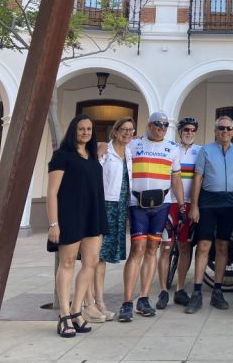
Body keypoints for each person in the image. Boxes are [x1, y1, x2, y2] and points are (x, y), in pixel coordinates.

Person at [118, 111, 184, 322]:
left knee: (152, 250)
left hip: (162, 204)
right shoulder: (134, 145)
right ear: (148, 125)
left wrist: (181, 205)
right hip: (137, 204)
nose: (161, 128)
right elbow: (113, 147)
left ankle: (144, 297)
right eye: (157, 124)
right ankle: (127, 301)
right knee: (137, 249)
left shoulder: (173, 148)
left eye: (165, 125)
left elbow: (176, 179)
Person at [47, 114, 108, 338]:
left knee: (90, 264)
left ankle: (76, 311)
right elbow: (52, 193)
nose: (85, 132)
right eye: (81, 129)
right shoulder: (61, 156)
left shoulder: (93, 156)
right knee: (68, 263)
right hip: (70, 216)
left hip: (93, 215)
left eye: (89, 129)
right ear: (73, 130)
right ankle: (63, 315)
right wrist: (54, 223)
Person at [185, 116, 233, 313]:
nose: (225, 131)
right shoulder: (206, 150)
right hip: (208, 202)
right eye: (221, 128)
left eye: (229, 128)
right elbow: (198, 178)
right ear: (215, 131)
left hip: (229, 203)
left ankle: (217, 291)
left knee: (223, 246)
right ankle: (197, 292)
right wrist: (194, 206)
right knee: (204, 245)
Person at [85, 117, 135, 323]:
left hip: (120, 208)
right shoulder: (105, 150)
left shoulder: (129, 152)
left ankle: (99, 301)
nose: (127, 133)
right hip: (104, 206)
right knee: (93, 256)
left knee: (102, 258)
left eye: (131, 130)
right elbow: (94, 174)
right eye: (123, 129)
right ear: (115, 131)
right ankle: (88, 302)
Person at [164, 117, 202, 307]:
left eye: (192, 130)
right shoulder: (171, 148)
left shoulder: (200, 151)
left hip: (190, 204)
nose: (189, 132)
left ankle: (179, 288)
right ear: (180, 131)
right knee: (166, 246)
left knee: (185, 246)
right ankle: (163, 290)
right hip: (169, 202)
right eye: (186, 129)